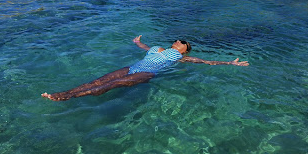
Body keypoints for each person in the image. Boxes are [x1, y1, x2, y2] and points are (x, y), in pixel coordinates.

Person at [41, 35, 249, 101]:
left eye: (181, 43)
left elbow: (206, 62)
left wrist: (230, 63)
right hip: (132, 67)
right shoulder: (157, 48)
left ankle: (66, 97)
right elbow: (144, 46)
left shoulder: (181, 58)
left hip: (147, 73)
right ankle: (67, 92)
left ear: (184, 51)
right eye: (177, 40)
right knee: (98, 80)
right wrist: (137, 42)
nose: (177, 42)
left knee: (111, 85)